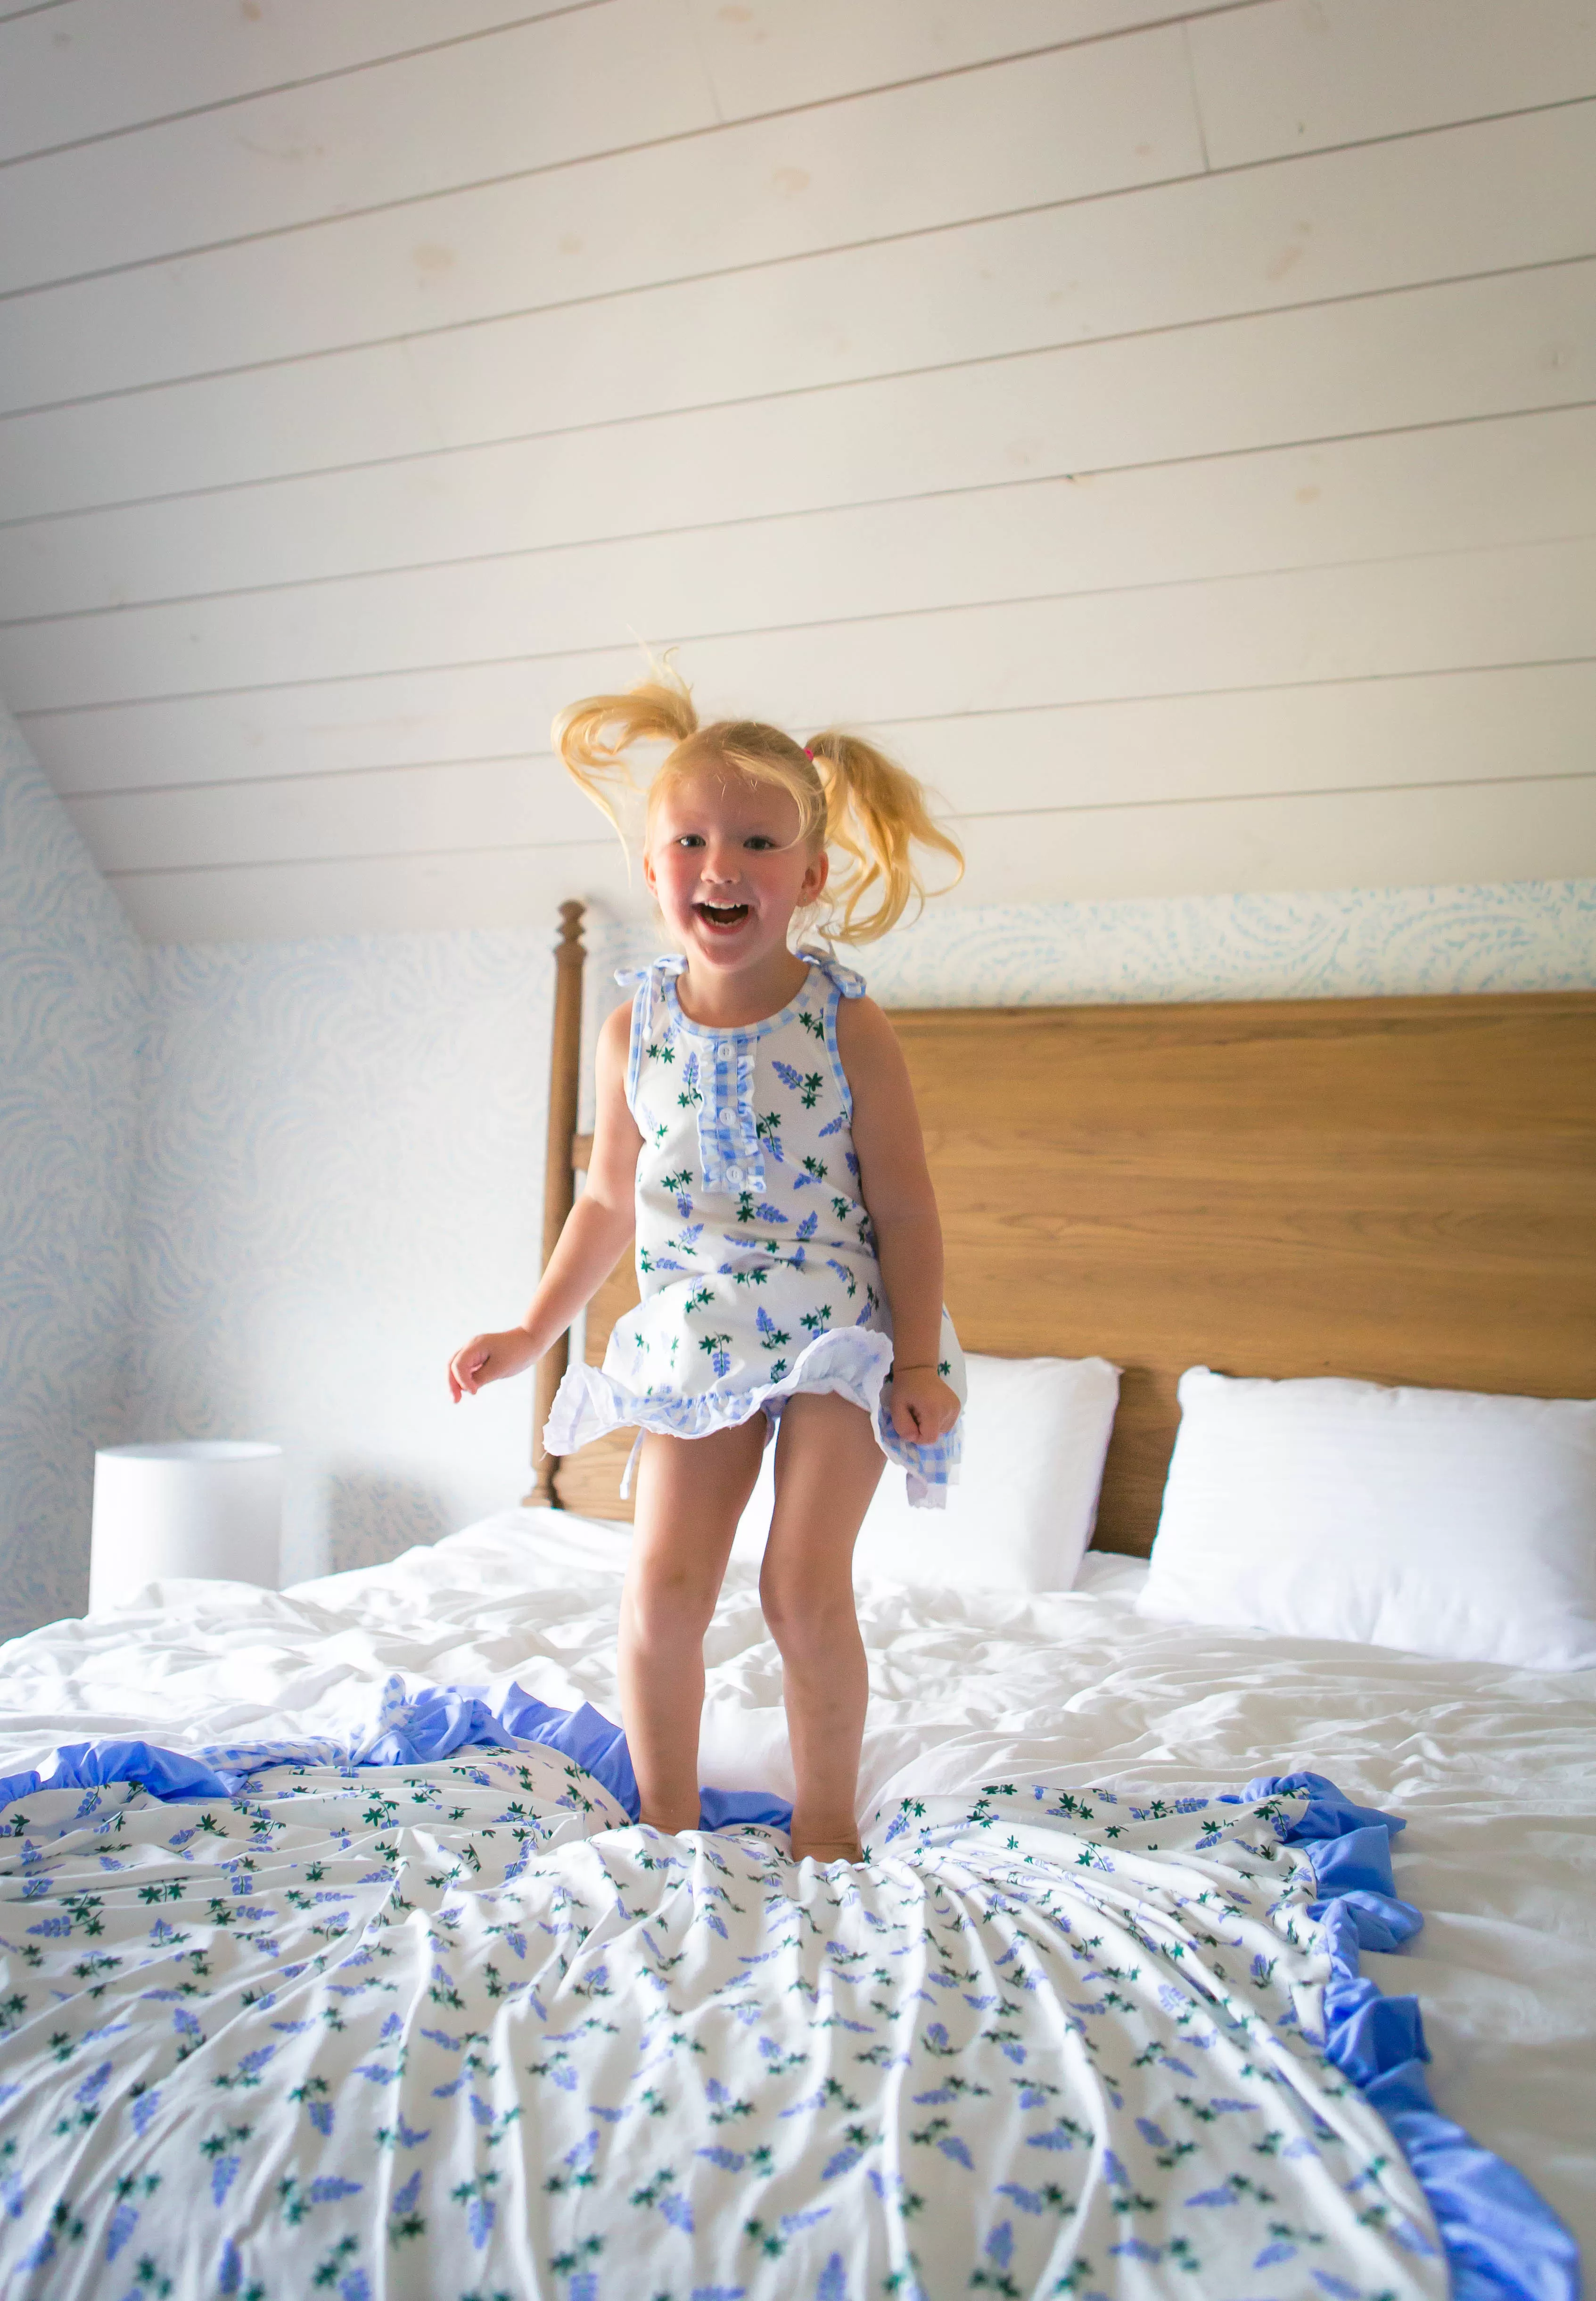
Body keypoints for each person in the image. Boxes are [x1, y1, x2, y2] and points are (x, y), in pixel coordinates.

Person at [447, 664, 965, 1864]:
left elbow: (905, 1203)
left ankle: (825, 1820)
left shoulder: (846, 1022)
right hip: (695, 1332)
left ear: (810, 875)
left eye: (755, 842)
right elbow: (607, 1200)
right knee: (663, 1592)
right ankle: (664, 1817)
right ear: (651, 867)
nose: (719, 866)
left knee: (797, 1583)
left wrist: (922, 1357)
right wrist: (531, 1333)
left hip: (841, 1326)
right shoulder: (634, 1024)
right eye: (689, 840)